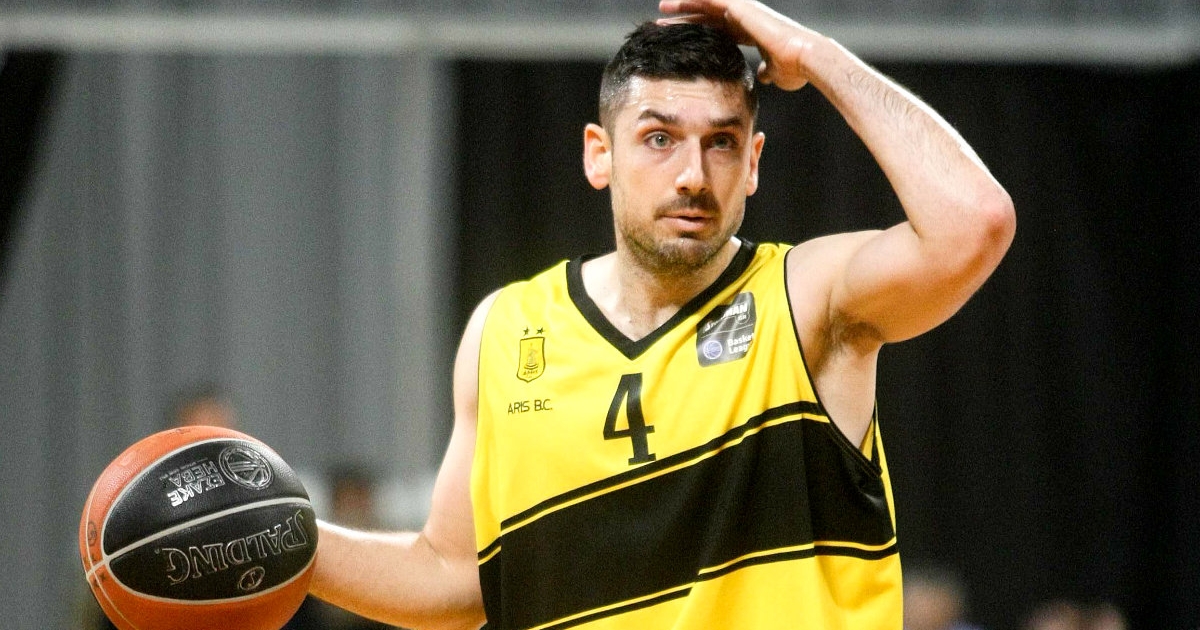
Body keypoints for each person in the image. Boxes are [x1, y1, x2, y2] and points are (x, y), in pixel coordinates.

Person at [309, 1, 1015, 629]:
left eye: (722, 142)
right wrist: (284, 537)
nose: (692, 176)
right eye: (659, 138)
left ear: (753, 162)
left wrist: (813, 54)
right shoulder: (505, 328)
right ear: (599, 155)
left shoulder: (805, 300)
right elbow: (454, 582)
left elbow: (974, 221)